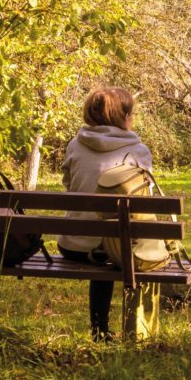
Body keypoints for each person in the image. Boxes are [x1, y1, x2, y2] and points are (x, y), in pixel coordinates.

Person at [59, 86, 152, 340]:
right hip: (114, 251)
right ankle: (119, 330)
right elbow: (144, 200)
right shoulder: (138, 150)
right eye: (131, 113)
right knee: (115, 248)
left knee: (105, 246)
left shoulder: (75, 145)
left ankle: (100, 329)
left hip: (72, 246)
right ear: (123, 116)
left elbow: (69, 185)